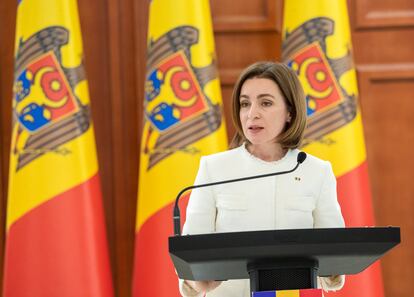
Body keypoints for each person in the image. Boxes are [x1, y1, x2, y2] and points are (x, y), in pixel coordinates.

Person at [178, 61, 345, 297]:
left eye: (265, 103)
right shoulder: (214, 168)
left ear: (290, 111)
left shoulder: (316, 171)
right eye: (245, 103)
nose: (252, 113)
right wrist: (197, 282)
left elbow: (335, 262)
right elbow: (191, 256)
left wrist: (333, 269)